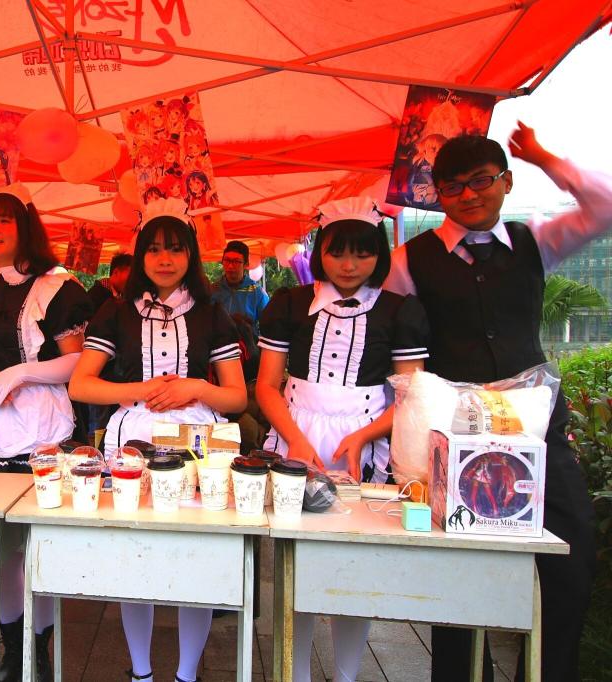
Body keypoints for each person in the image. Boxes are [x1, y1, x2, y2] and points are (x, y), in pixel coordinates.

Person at [385, 123, 612, 682]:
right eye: (453, 186)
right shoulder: (411, 259)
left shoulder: (536, 242)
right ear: (438, 195)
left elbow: (604, 206)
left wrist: (542, 156)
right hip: (452, 437)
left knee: (570, 554)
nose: (468, 194)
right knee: (458, 572)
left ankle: (550, 671)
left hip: (536, 430)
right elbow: (391, 339)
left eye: (481, 181)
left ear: (505, 182)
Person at [69, 198, 247, 682]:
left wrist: (196, 387)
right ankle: (141, 672)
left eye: (175, 248)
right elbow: (80, 385)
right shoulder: (115, 313)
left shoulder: (212, 314)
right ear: (140, 255)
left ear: (191, 253)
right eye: (153, 249)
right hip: (132, 443)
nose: (164, 259)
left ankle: (188, 673)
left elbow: (237, 396)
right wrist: (139, 389)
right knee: (136, 557)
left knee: (199, 560)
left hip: (199, 448)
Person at [255, 197, 428, 682]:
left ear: (379, 254)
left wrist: (363, 436)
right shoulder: (290, 304)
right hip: (297, 435)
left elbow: (412, 395)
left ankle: (348, 675)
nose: (349, 265)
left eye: (362, 253)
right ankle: (295, 673)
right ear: (320, 253)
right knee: (296, 563)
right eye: (337, 252)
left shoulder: (400, 312)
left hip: (367, 444)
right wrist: (295, 441)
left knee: (357, 567)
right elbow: (266, 386)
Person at [0, 183, 91, 681]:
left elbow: (76, 360)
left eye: (4, 219)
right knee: (2, 546)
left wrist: (23, 373)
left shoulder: (57, 287)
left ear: (25, 227)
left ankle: (40, 646)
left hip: (41, 423)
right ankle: (13, 646)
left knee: (37, 541)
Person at [211, 240, 269, 336]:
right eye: (227, 260)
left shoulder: (257, 292)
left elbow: (268, 325)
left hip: (247, 343)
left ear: (246, 264)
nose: (230, 266)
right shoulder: (212, 290)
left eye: (236, 261)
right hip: (218, 343)